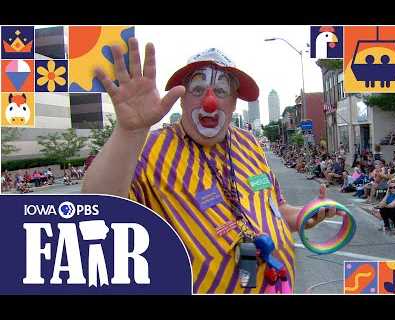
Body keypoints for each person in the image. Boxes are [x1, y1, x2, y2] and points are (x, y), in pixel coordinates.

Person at [81, 40, 343, 293]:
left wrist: (303, 216)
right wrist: (129, 132)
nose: (210, 101)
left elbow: (274, 207)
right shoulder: (149, 149)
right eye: (197, 90)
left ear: (234, 102)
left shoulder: (249, 143)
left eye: (221, 92)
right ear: (181, 99)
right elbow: (98, 209)